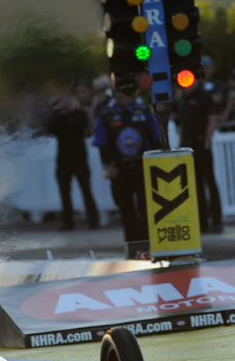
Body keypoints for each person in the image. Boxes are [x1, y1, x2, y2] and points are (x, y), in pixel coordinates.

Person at [92, 90, 162, 248]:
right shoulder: (106, 114)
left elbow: (155, 137)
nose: (122, 97)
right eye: (119, 94)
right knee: (125, 208)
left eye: (125, 93)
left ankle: (148, 243)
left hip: (142, 166)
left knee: (145, 207)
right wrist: (108, 166)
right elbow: (101, 143)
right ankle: (132, 244)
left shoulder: (143, 110)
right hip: (119, 168)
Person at [46, 90, 99, 231]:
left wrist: (72, 113)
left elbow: (83, 125)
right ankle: (68, 222)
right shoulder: (57, 117)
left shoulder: (79, 114)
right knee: (64, 191)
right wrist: (61, 113)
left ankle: (93, 220)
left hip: (79, 157)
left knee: (86, 189)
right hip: (63, 159)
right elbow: (51, 128)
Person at [176, 80, 223, 233]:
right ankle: (202, 222)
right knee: (195, 185)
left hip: (201, 143)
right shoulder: (182, 99)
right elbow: (181, 124)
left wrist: (206, 142)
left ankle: (216, 220)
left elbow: (212, 120)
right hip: (188, 145)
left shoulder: (204, 96)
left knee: (209, 182)